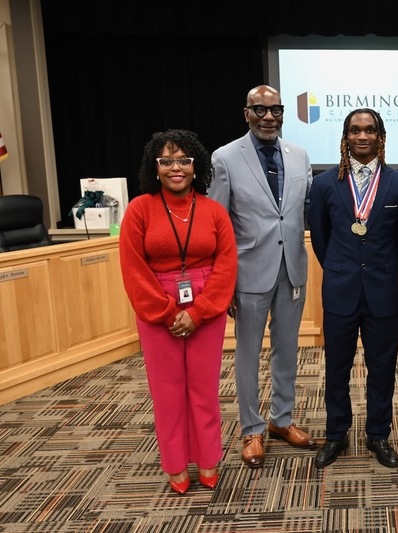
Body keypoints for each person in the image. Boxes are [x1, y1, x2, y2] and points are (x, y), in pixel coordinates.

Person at [119, 129, 237, 494]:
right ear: (155, 167)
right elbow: (134, 267)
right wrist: (168, 313)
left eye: (183, 160)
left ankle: (207, 459)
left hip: (206, 304)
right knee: (167, 391)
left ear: (195, 166)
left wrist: (199, 311)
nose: (175, 167)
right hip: (157, 305)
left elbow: (226, 263)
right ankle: (174, 464)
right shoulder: (140, 209)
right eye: (166, 160)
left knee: (203, 389)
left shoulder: (214, 211)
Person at [208, 85, 317, 469]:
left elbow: (301, 211)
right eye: (260, 109)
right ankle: (251, 428)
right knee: (248, 355)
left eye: (276, 110)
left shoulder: (300, 154)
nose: (269, 116)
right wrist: (224, 283)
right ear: (246, 113)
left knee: (287, 350)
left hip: (293, 270)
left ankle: (281, 420)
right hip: (248, 274)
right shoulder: (224, 158)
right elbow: (217, 224)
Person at [308, 108, 398, 469]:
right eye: (355, 130)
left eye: (370, 130)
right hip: (339, 289)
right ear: (346, 137)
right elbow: (321, 240)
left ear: (381, 136)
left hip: (383, 290)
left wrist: (382, 272)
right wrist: (342, 270)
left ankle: (378, 434)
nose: (363, 136)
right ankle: (336, 434)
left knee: (382, 367)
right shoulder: (324, 184)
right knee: (336, 367)